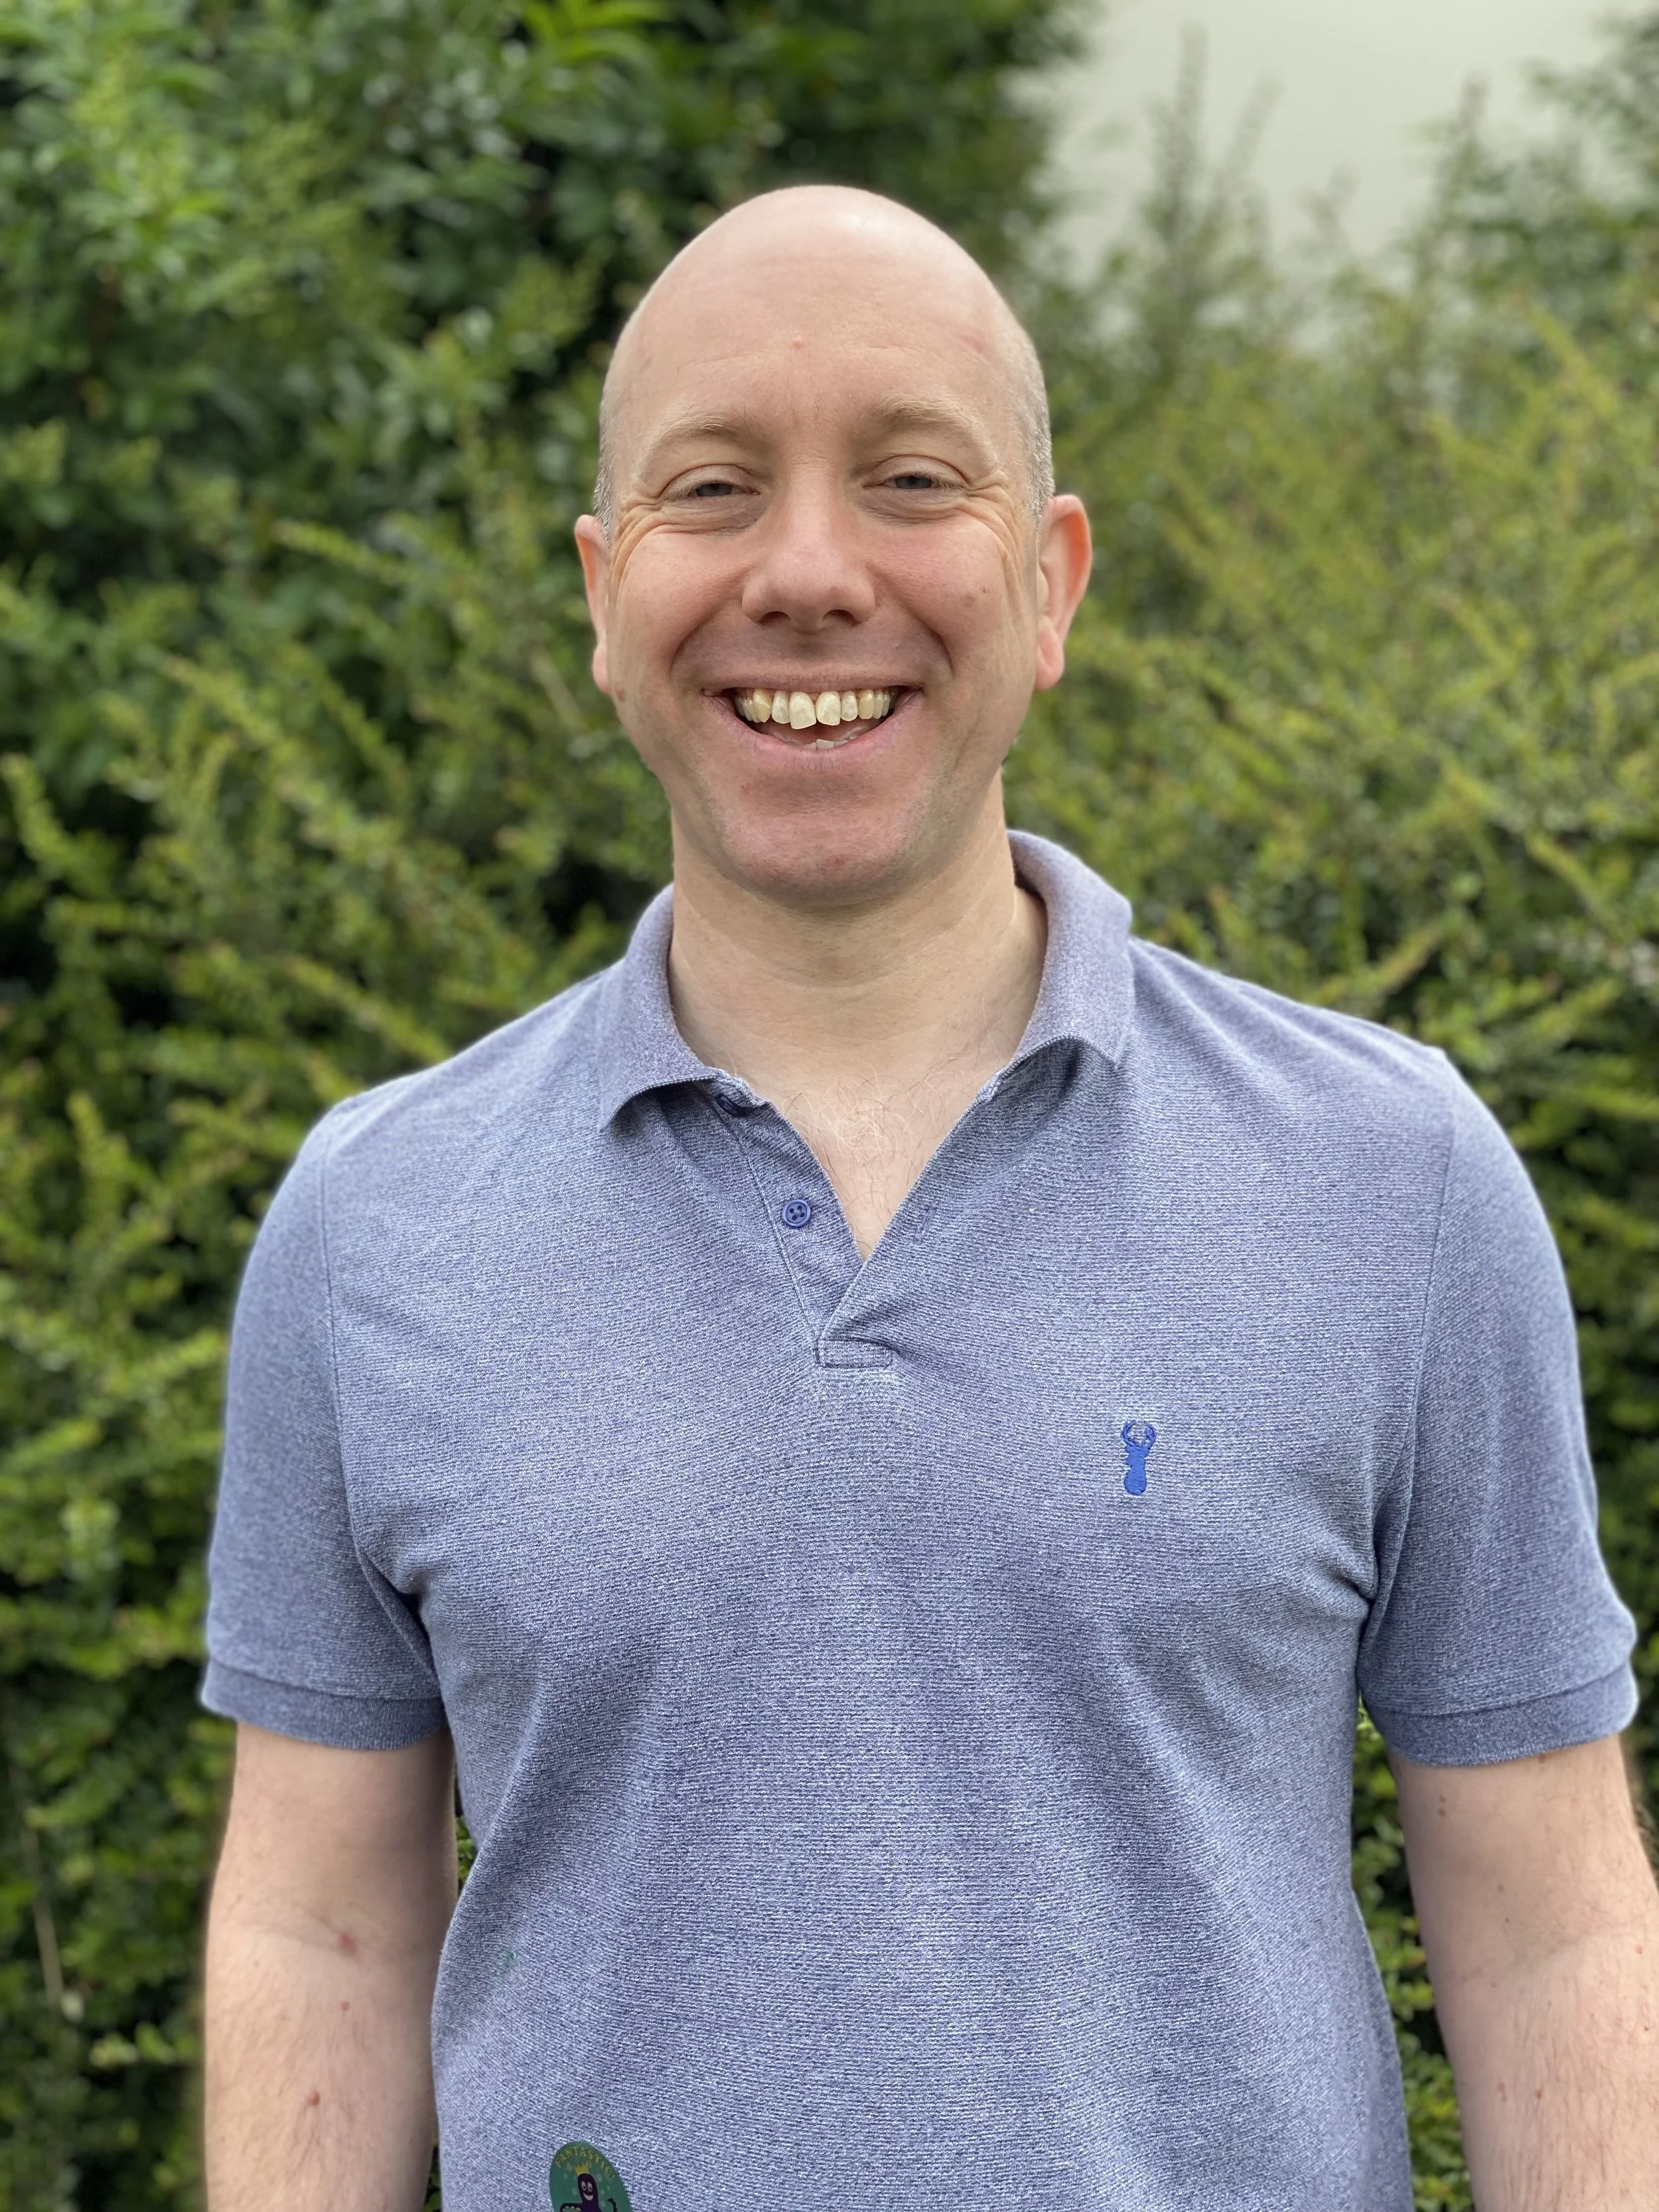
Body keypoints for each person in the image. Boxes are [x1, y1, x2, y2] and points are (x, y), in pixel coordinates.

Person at [199, 184, 1659, 2211]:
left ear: (1047, 585)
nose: (806, 572)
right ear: (605, 595)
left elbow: (1552, 1926)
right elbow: (319, 1927)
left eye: (908, 476)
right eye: (713, 488)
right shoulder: (379, 1220)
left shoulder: (1390, 1178)